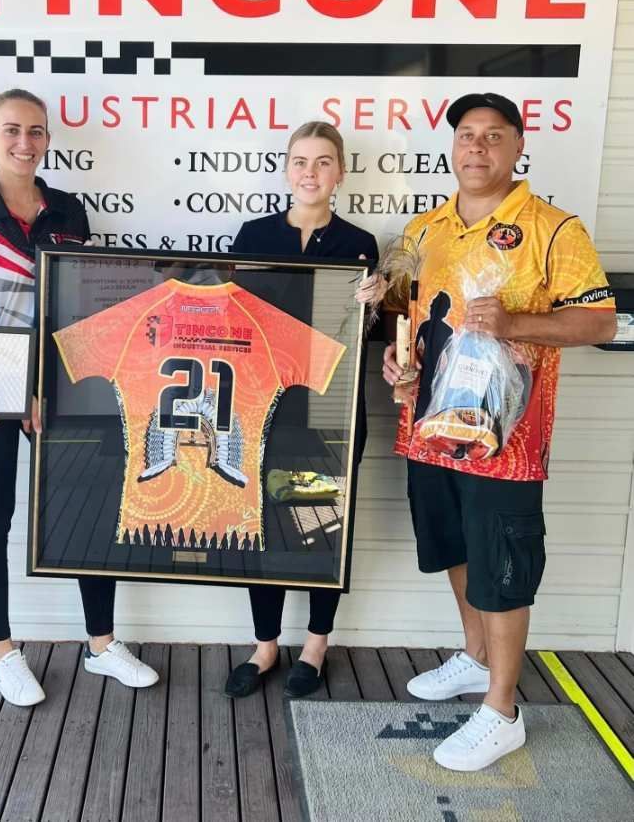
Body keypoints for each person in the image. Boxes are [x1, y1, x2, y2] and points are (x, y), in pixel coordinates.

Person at [382, 92, 616, 771]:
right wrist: (398, 360)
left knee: (502, 568)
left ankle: (502, 709)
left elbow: (599, 322)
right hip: (427, 430)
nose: (476, 147)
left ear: (518, 147)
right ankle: (475, 654)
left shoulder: (552, 228)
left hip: (506, 443)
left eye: (493, 135)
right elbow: (407, 314)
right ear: (452, 146)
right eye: (466, 135)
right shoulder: (425, 228)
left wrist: (513, 324)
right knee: (454, 547)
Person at [0, 88, 159, 705]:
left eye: (35, 131)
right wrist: (12, 388)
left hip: (56, 387)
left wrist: (44, 388)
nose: (23, 142)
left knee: (88, 510)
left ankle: (101, 644)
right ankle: (2, 653)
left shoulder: (69, 209)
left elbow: (76, 305)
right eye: (10, 130)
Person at [223, 120, 382, 699]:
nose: (309, 172)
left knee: (320, 522)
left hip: (329, 408)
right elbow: (233, 324)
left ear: (339, 172)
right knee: (260, 521)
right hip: (263, 406)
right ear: (286, 169)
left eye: (322, 162)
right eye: (299, 161)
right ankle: (265, 645)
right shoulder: (253, 233)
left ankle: (316, 644)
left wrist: (372, 307)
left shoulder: (358, 244)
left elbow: (363, 336)